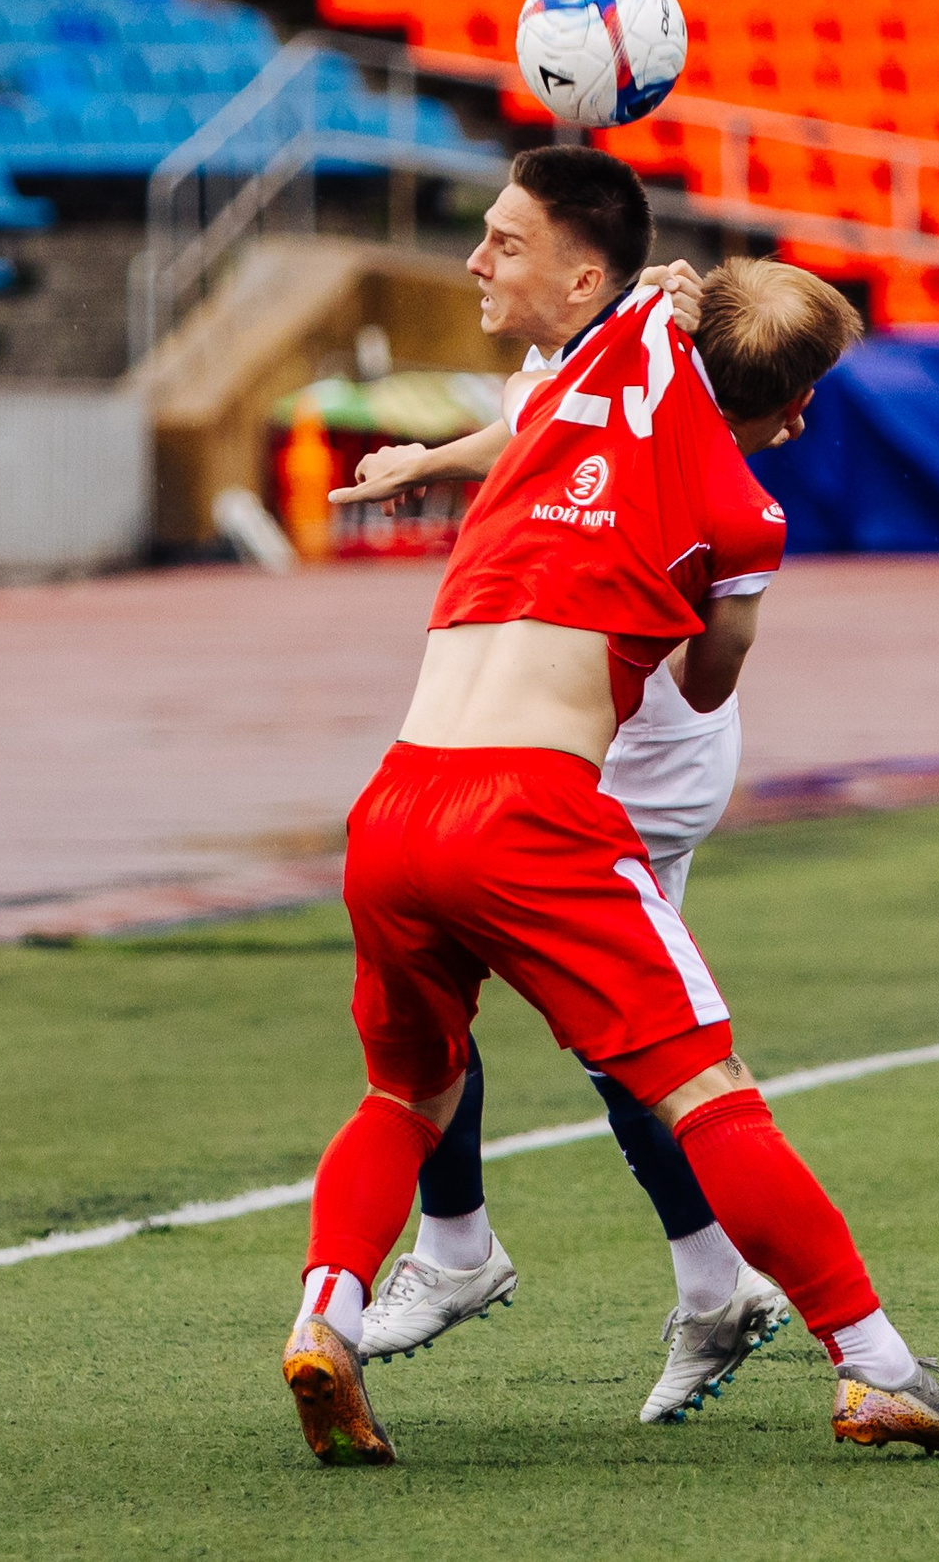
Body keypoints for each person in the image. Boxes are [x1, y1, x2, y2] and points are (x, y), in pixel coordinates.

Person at [283, 154, 939, 1464]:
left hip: (392, 805)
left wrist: (429, 462)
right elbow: (708, 669)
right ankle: (876, 1364)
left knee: (408, 1091)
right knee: (703, 1084)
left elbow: (619, 335)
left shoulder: (570, 388)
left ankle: (325, 1313)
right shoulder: (739, 502)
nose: (478, 260)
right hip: (533, 811)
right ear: (785, 410)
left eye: (501, 240)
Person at [326, 153, 794, 1427]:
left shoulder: (672, 363)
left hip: (633, 768)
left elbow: (700, 669)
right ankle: (470, 1246)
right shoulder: (581, 347)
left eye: (503, 239)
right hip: (520, 760)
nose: (479, 258)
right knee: (431, 975)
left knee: (630, 1053)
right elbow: (537, 425)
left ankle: (721, 1286)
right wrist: (435, 461)